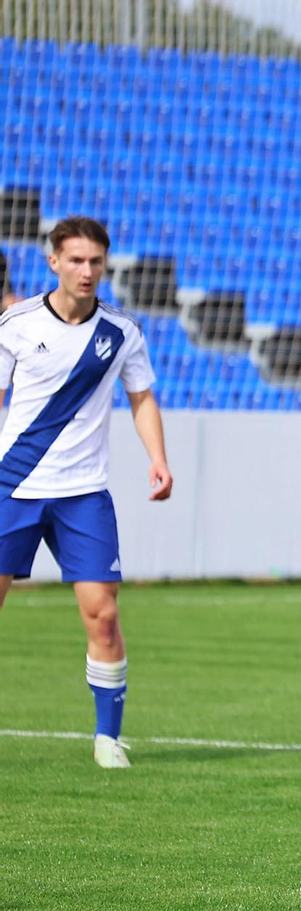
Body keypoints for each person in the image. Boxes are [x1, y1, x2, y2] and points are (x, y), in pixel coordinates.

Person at [0, 217, 173, 768]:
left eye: (96, 261)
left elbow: (141, 398)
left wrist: (159, 460)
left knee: (102, 614)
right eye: (75, 260)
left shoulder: (122, 331)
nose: (87, 271)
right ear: (53, 262)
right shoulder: (17, 324)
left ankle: (107, 737)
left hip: (83, 494)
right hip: (13, 486)